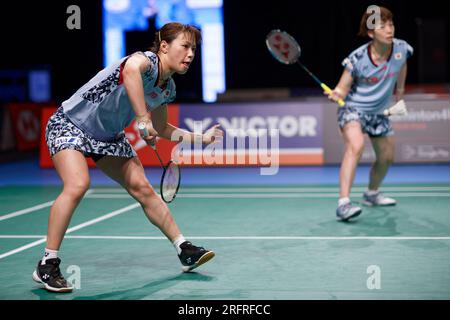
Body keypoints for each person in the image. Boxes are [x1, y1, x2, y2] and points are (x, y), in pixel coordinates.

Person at [32, 22, 223, 292]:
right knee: (77, 184)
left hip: (108, 136)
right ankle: (47, 264)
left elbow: (162, 128)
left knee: (143, 188)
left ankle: (184, 249)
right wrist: (142, 118)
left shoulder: (166, 88)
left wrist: (201, 139)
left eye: (194, 48)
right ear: (165, 46)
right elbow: (131, 70)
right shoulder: (145, 61)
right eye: (185, 46)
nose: (191, 53)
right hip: (70, 123)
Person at [326, 6, 413, 221]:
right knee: (355, 146)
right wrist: (337, 93)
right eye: (382, 26)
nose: (389, 29)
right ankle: (344, 203)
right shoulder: (357, 59)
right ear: (371, 33)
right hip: (353, 109)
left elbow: (401, 64)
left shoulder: (401, 48)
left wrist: (399, 91)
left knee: (386, 158)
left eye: (391, 24)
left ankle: (371, 193)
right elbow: (342, 89)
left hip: (380, 113)